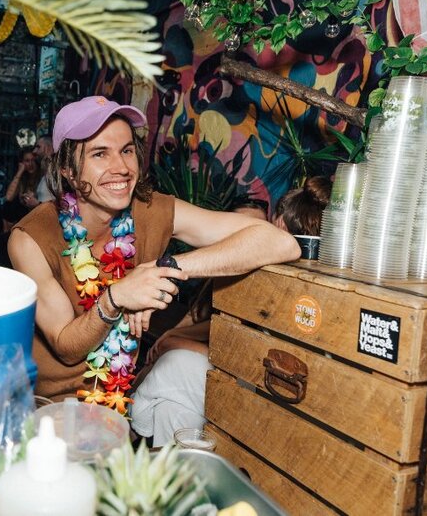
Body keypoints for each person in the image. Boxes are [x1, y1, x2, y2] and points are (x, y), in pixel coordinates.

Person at [8, 96, 299, 434]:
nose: (121, 167)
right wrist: (116, 298)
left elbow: (281, 242)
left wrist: (167, 267)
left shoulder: (151, 209)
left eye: (127, 150)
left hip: (121, 402)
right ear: (68, 171)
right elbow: (67, 346)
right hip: (52, 413)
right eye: (100, 154)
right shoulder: (31, 237)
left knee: (185, 370)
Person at [131, 176, 331, 445]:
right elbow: (224, 327)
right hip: (269, 390)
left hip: (271, 395)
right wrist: (175, 336)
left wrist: (178, 341)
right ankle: (175, 481)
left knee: (174, 366)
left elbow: (253, 359)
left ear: (279, 224)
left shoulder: (283, 282)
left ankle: (130, 425)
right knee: (171, 405)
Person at [1, 146, 43, 231]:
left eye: (33, 160)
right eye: (27, 161)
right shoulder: (22, 178)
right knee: (7, 206)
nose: (31, 164)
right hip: (22, 214)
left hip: (37, 212)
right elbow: (9, 197)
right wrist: (20, 172)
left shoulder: (43, 177)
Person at [32, 134, 55, 204]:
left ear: (49, 148)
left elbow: (62, 204)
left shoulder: (58, 174)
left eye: (38, 147)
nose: (34, 151)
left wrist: (37, 204)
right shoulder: (45, 174)